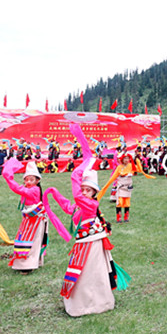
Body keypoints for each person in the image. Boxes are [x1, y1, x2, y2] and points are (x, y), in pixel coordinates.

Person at [59, 123, 125, 317]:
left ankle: (96, 303)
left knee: (91, 271)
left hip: (92, 243)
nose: (84, 192)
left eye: (88, 190)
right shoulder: (82, 204)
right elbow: (70, 208)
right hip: (84, 242)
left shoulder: (91, 204)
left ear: (94, 193)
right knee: (82, 272)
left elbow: (76, 197)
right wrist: (54, 194)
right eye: (83, 189)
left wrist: (75, 175)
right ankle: (82, 302)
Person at [3, 160, 48, 273]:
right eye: (26, 179)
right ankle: (28, 262)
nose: (28, 182)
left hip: (36, 219)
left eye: (31, 180)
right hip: (29, 218)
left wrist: (9, 179)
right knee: (27, 239)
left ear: (37, 181)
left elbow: (19, 189)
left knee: (32, 241)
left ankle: (28, 264)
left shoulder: (34, 190)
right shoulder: (30, 189)